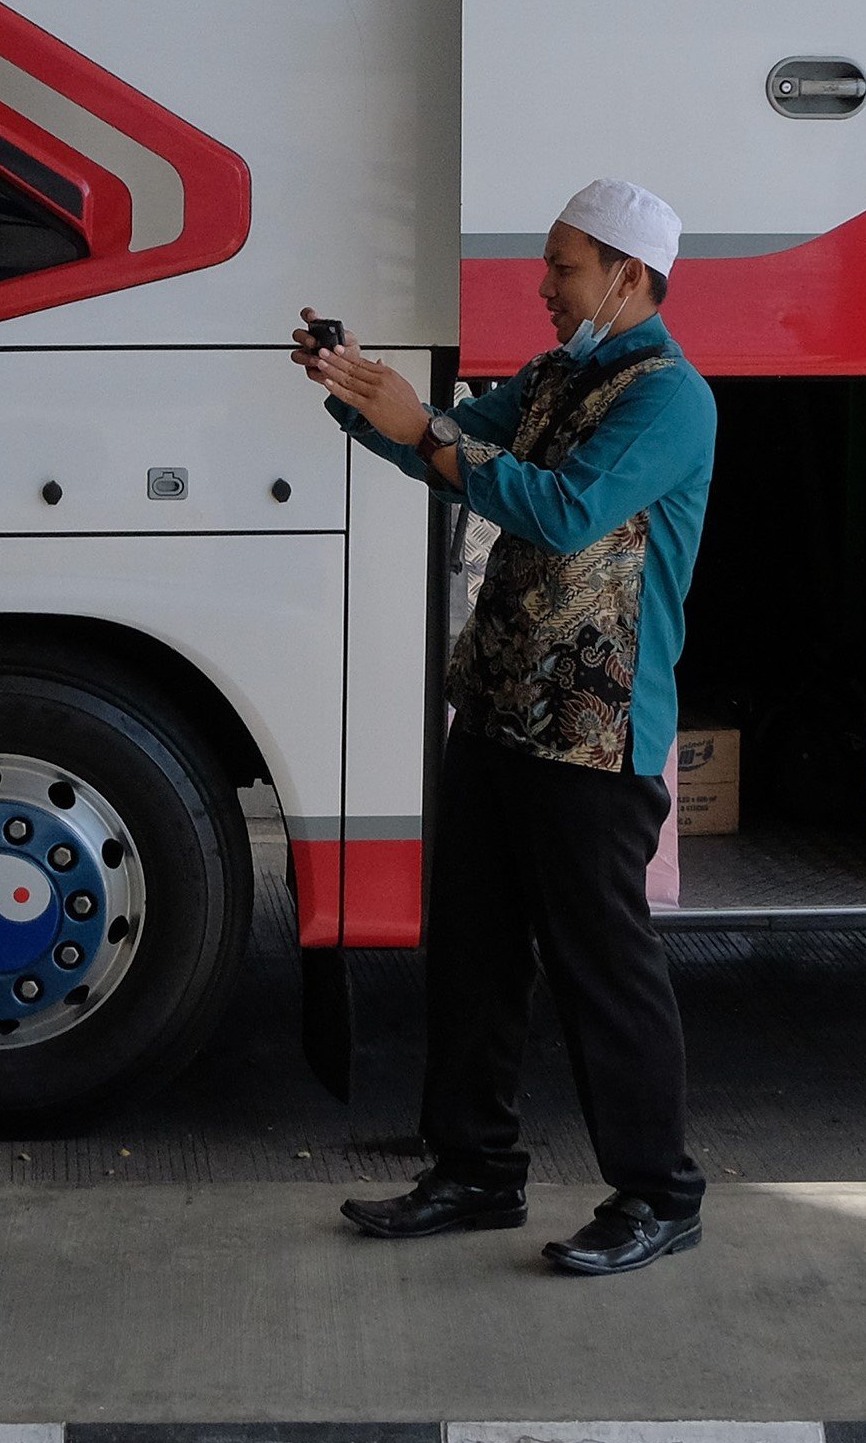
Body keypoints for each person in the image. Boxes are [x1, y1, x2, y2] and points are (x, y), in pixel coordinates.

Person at [307, 179, 720, 1279]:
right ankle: (474, 1167)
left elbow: (562, 506)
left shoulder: (671, 400)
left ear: (628, 277)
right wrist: (358, 397)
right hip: (497, 710)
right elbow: (440, 457)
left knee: (601, 968)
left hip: (595, 734)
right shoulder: (551, 377)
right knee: (473, 953)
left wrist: (426, 428)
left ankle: (657, 1192)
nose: (543, 287)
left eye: (563, 268)